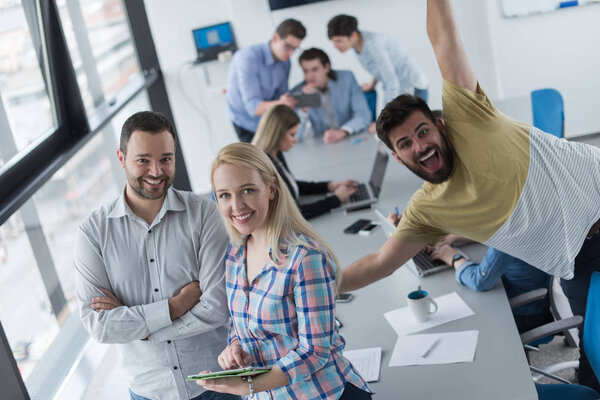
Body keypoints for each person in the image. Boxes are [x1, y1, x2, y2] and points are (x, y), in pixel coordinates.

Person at [340, 0, 600, 391]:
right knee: (594, 362)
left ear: (440, 125)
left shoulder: (468, 114)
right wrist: (311, 285)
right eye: (406, 143)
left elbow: (443, 37)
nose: (420, 145)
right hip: (581, 256)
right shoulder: (427, 210)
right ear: (396, 156)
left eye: (424, 131)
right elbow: (379, 262)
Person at [73, 111, 237, 400]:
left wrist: (144, 330)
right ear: (121, 158)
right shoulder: (93, 233)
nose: (156, 171)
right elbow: (99, 325)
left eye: (166, 159)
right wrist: (176, 305)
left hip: (218, 382)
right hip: (149, 391)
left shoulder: (204, 214)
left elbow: (216, 307)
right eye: (143, 160)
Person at [196, 142, 373, 399]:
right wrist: (235, 345)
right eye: (224, 195)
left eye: (247, 190)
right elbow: (239, 322)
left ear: (271, 189)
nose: (237, 206)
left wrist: (250, 386)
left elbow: (315, 351)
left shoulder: (305, 258)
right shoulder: (235, 256)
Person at [252, 105, 358, 219]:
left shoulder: (275, 153)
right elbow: (291, 215)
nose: (295, 139)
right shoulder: (263, 168)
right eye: (292, 134)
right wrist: (336, 199)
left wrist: (329, 186)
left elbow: (290, 186)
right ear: (277, 134)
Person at [430, 234, 552, 334]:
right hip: (534, 300)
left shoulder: (508, 234)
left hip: (524, 313)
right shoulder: (520, 217)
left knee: (456, 323)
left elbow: (479, 281)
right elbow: (495, 234)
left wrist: (454, 258)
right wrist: (458, 237)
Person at [327, 14, 429, 132]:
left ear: (353, 35)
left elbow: (391, 81)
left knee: (414, 129)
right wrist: (372, 84)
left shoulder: (374, 44)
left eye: (339, 41)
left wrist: (382, 121)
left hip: (413, 86)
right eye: (333, 42)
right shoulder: (358, 44)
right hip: (399, 86)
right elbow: (379, 68)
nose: (335, 46)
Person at [226, 19, 306, 142]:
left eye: (295, 49)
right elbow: (254, 108)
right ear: (275, 38)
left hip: (268, 119)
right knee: (259, 160)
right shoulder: (248, 58)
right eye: (288, 46)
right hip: (245, 121)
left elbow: (281, 96)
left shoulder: (285, 62)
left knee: (278, 159)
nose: (291, 53)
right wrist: (282, 103)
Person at [291, 48, 371, 143]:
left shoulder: (346, 78)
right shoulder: (299, 91)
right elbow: (296, 136)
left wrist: (343, 131)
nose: (309, 76)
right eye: (305, 71)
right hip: (324, 144)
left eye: (314, 69)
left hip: (351, 137)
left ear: (327, 67)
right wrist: (304, 105)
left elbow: (363, 115)